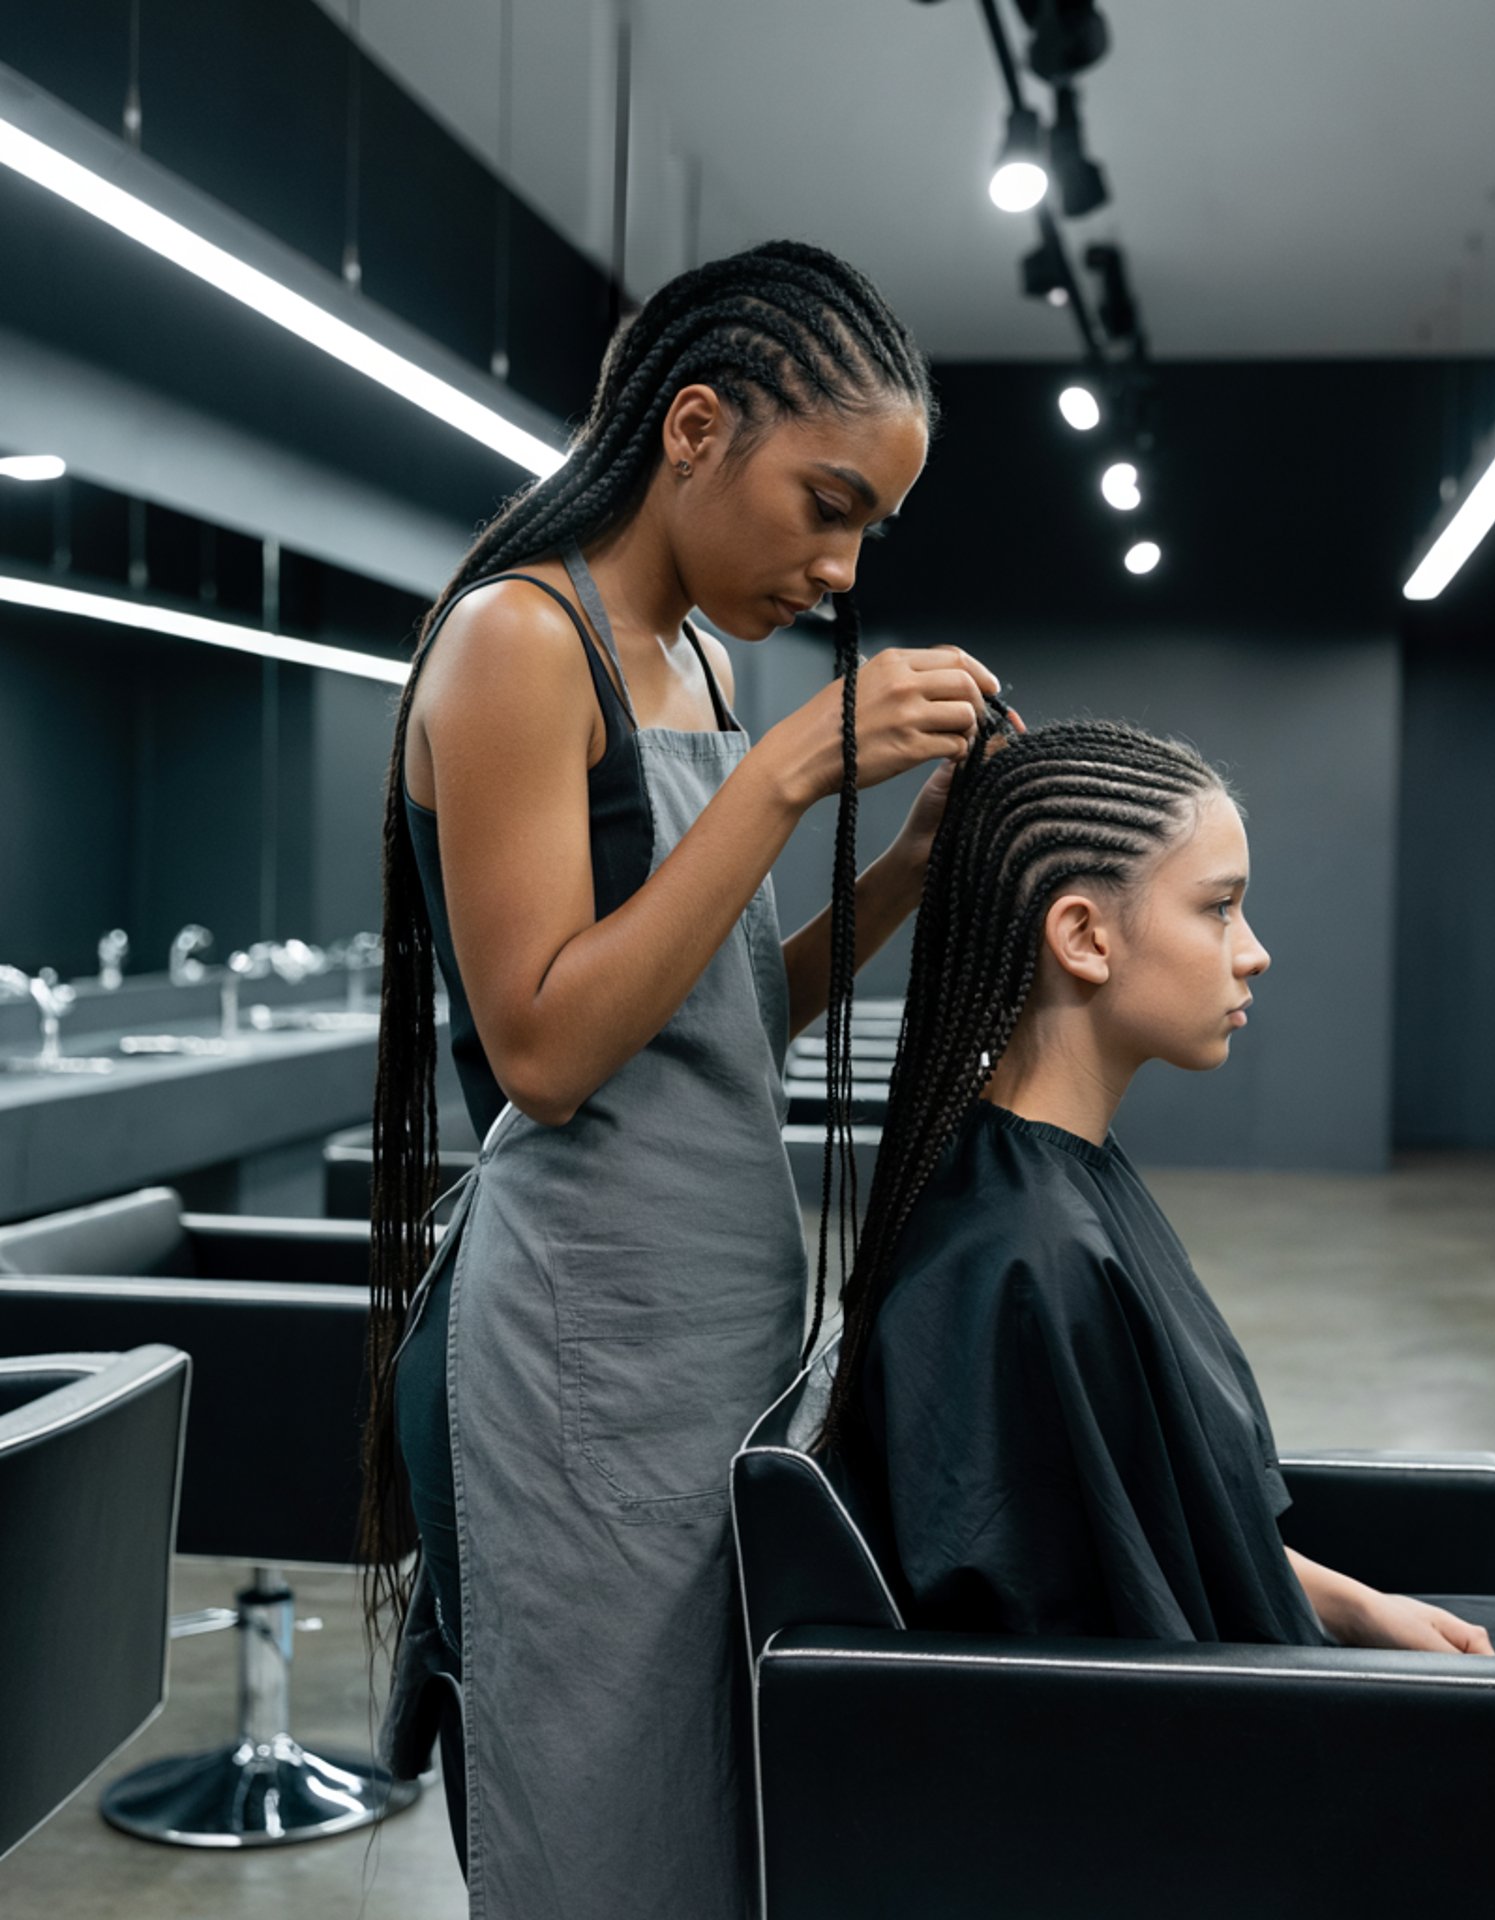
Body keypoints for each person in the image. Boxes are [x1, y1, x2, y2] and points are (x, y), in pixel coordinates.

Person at [823, 718, 1495, 1920]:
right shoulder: (1020, 1262)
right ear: (1083, 935)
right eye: (1220, 909)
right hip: (1246, 1755)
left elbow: (1152, 1522)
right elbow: (1103, 1687)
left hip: (1268, 1660)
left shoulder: (1064, 1184)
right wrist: (1349, 1670)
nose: (1257, 955)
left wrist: (1352, 1602)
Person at [362, 239, 1009, 1918]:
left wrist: (908, 868)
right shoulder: (521, 643)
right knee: (599, 1827)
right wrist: (792, 775)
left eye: (872, 529)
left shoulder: (706, 666)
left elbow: (718, 1012)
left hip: (705, 1317)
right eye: (827, 503)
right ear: (696, 429)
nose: (843, 567)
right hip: (579, 1344)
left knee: (708, 1818)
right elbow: (552, 1049)